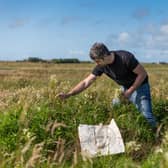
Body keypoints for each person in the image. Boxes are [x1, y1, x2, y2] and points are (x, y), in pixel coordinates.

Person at [57, 42, 157, 129]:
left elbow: (142, 74)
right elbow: (86, 82)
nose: (96, 63)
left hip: (140, 86)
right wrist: (69, 94)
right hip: (124, 88)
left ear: (104, 56)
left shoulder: (125, 58)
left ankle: (157, 139)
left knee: (146, 117)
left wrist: (130, 91)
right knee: (115, 107)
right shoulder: (101, 66)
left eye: (97, 61)